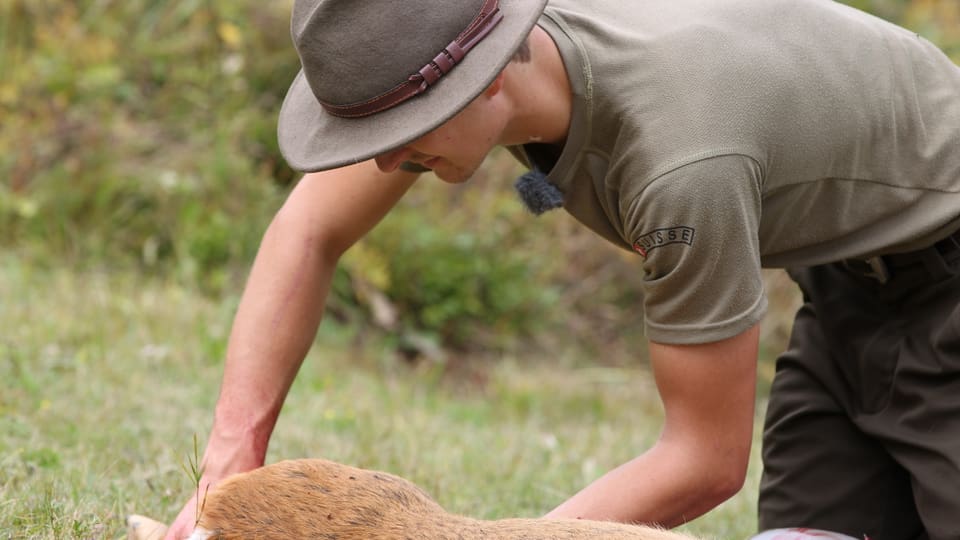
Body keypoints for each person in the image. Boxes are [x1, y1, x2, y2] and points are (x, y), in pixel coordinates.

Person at [164, 0, 960, 538]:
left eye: (403, 131)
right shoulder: (481, 37)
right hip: (851, 287)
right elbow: (307, 232)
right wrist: (227, 474)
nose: (376, 164)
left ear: (486, 76)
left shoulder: (682, 161)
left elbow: (705, 459)